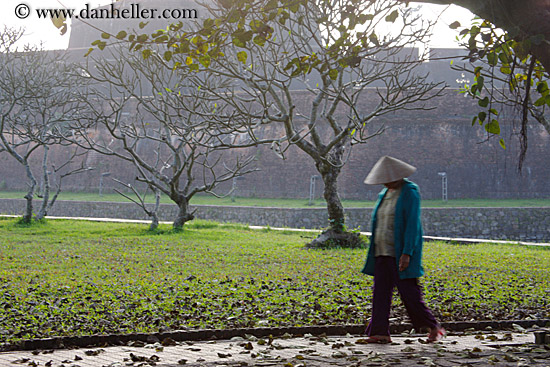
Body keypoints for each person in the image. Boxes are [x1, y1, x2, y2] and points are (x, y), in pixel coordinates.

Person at [361, 156, 445, 343]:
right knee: (380, 294)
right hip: (382, 252)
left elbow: (412, 225)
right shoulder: (384, 194)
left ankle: (433, 326)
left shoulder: (410, 192)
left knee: (409, 294)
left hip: (400, 254)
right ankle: (380, 332)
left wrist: (407, 253)